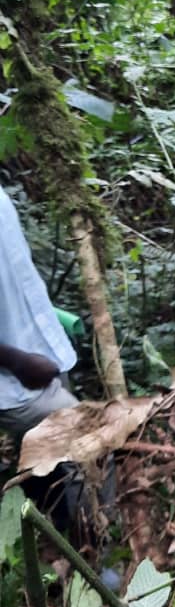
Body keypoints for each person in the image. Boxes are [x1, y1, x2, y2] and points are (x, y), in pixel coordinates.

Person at [0, 186, 78, 437]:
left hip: (42, 350)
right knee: (88, 438)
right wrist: (17, 362)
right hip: (12, 381)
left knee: (43, 454)